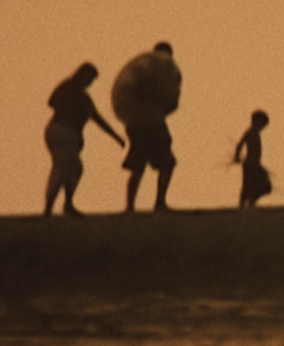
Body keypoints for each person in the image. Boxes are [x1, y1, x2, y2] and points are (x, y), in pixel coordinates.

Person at [43, 62, 125, 217]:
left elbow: (97, 118)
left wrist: (116, 137)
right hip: (61, 130)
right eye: (90, 78)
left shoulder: (84, 98)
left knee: (75, 168)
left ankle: (68, 204)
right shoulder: (69, 88)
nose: (90, 82)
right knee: (61, 167)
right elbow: (52, 102)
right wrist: (71, 111)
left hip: (67, 133)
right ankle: (48, 209)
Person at [113, 41, 181, 214]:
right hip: (152, 122)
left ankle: (130, 206)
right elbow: (172, 101)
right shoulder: (160, 73)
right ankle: (159, 203)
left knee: (138, 166)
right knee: (166, 163)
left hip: (135, 123)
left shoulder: (138, 72)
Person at [233, 110, 272, 209]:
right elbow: (239, 144)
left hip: (255, 164)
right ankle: (242, 206)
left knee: (263, 186)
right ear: (256, 121)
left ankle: (250, 203)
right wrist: (236, 156)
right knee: (248, 186)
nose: (263, 127)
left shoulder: (255, 133)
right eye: (262, 124)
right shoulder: (250, 132)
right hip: (250, 164)